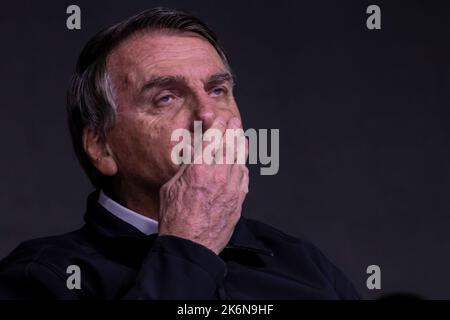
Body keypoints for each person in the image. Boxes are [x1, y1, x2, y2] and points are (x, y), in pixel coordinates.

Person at [0, 7, 359, 299]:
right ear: (101, 146)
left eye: (217, 90)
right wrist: (188, 248)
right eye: (166, 97)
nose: (207, 114)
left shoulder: (305, 265)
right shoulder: (43, 278)